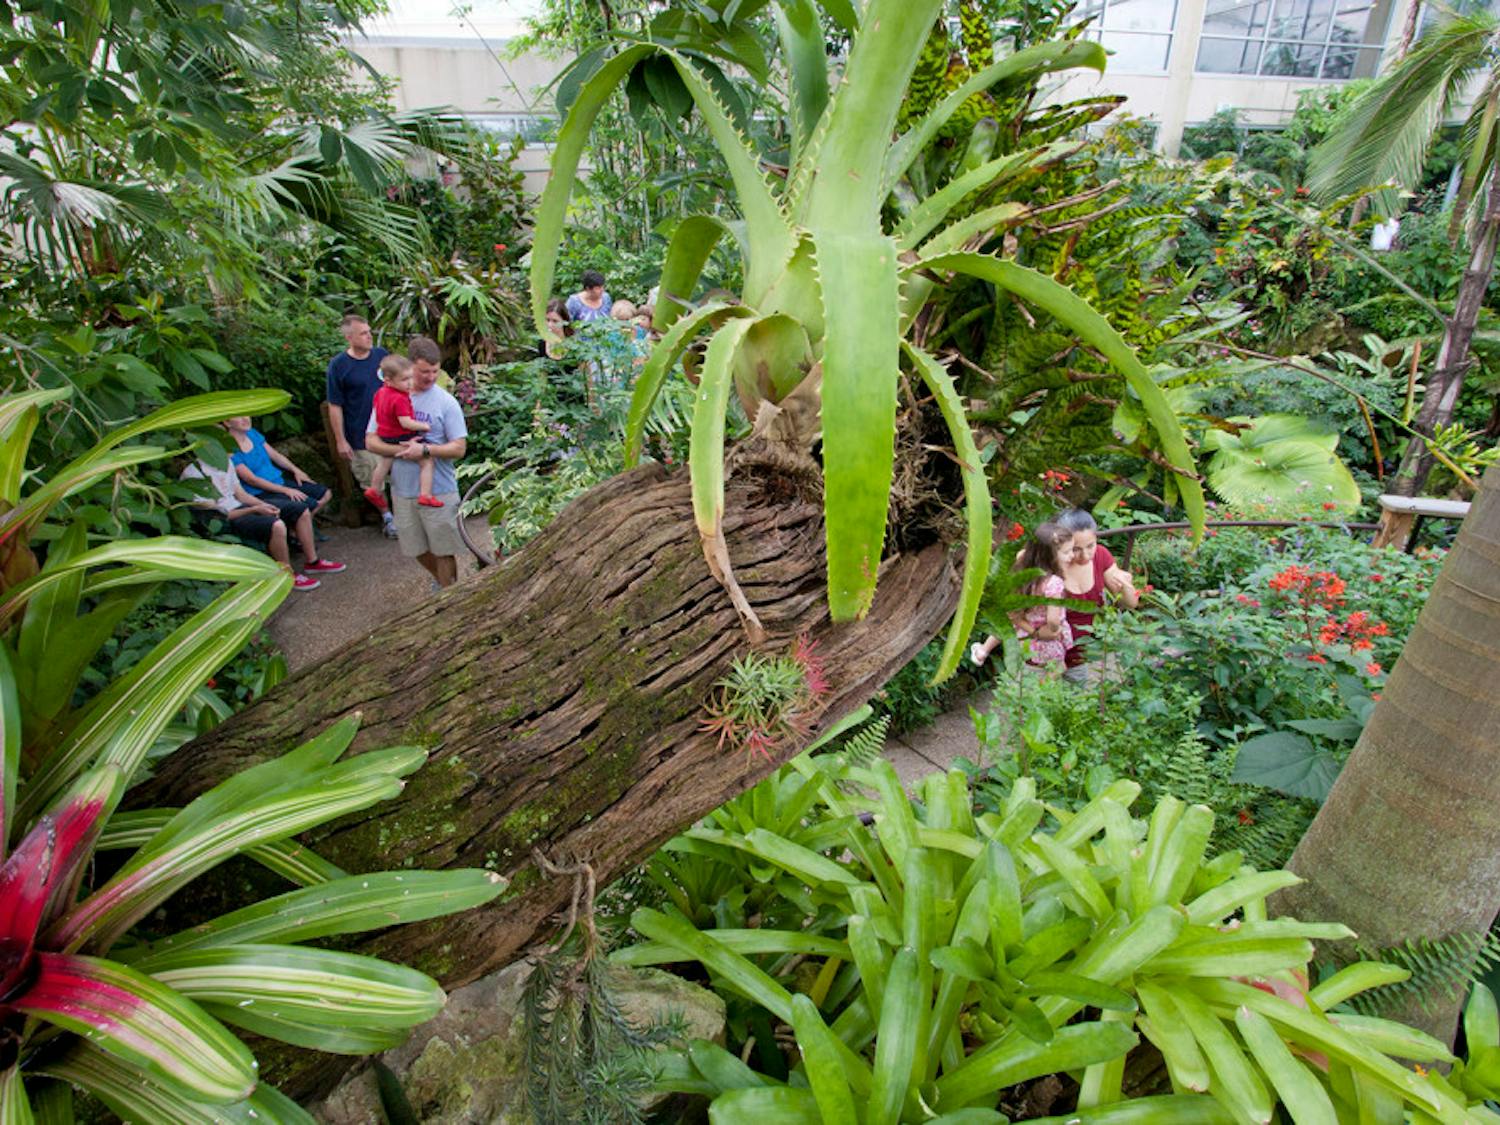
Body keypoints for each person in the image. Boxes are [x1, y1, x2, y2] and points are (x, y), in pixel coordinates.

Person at [366, 336, 468, 589]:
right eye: (424, 372)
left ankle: (448, 594)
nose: (431, 377)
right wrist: (403, 451)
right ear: (410, 367)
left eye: (435, 371)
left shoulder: (446, 402)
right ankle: (442, 583)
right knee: (416, 548)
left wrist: (424, 450)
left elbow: (459, 447)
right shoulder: (387, 397)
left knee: (444, 548)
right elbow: (371, 441)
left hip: (439, 488)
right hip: (402, 489)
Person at [182, 457, 334, 590]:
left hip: (242, 507)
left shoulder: (225, 462)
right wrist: (255, 509)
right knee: (277, 525)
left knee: (300, 509)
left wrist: (264, 505)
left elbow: (241, 495)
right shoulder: (194, 473)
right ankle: (286, 576)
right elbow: (218, 514)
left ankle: (313, 562)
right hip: (226, 518)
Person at [326, 313, 396, 538]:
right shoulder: (338, 366)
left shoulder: (381, 355)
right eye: (363, 333)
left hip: (392, 431)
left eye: (369, 332)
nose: (369, 336)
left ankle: (406, 514)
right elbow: (334, 405)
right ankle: (387, 517)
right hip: (361, 435)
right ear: (349, 337)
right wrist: (340, 440)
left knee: (401, 474)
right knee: (371, 478)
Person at [969, 522, 1074, 673]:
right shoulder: (1053, 583)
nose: (1072, 555)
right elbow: (1052, 620)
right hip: (1049, 644)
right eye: (1066, 552)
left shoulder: (1023, 574)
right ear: (1049, 556)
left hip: (1023, 639)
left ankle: (983, 651)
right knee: (1056, 671)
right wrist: (1054, 628)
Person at [1055, 507, 1138, 678]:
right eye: (1076, 549)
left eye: (1090, 546)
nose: (1085, 555)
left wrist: (1127, 586)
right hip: (1048, 656)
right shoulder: (1051, 563)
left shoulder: (1101, 555)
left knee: (1077, 699)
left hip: (1080, 656)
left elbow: (1129, 604)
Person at [364, 354, 441, 509]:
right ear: (388, 380)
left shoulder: (380, 392)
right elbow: (405, 422)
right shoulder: (400, 398)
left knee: (384, 462)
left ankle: (374, 488)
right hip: (401, 435)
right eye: (404, 380)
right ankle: (426, 494)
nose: (410, 383)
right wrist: (423, 426)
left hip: (385, 435)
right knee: (427, 461)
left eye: (410, 378)